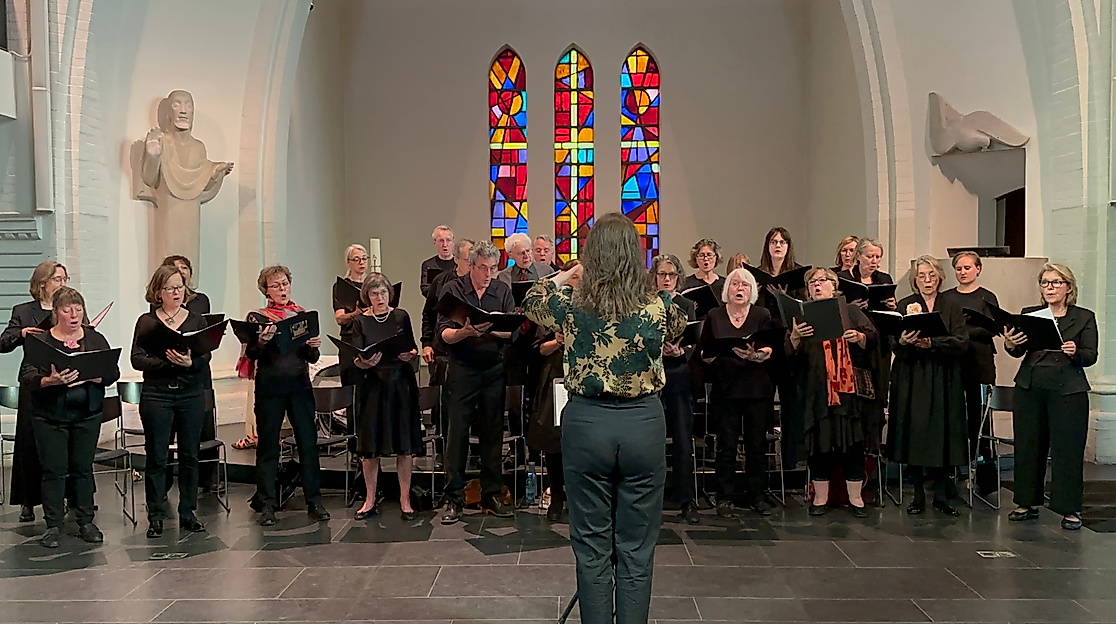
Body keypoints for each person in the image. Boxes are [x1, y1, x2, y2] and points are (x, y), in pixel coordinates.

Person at [523, 213, 686, 624]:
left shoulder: (572, 303)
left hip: (588, 425)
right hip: (643, 425)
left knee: (592, 547)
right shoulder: (657, 304)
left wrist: (568, 273)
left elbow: (530, 299)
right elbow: (681, 321)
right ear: (635, 255)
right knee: (637, 547)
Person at [20, 286, 119, 547]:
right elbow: (27, 375)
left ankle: (86, 521)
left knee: (82, 469)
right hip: (49, 416)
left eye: (78, 309)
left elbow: (112, 372)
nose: (74, 314)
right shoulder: (41, 341)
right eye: (67, 309)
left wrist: (97, 375)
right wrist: (49, 380)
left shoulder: (95, 339)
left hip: (86, 414)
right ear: (56, 313)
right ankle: (53, 525)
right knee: (54, 470)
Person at [1004, 263, 1097, 531]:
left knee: (1067, 450)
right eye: (1045, 283)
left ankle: (1069, 508)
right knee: (1029, 445)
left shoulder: (1083, 317)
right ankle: (1026, 502)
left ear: (1068, 287)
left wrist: (1075, 351)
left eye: (1055, 283)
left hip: (1067, 388)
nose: (1049, 288)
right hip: (1031, 386)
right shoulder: (1031, 314)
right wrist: (1011, 343)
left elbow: (1091, 355)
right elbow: (1017, 350)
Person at [786, 268, 878, 518]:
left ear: (833, 285)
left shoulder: (850, 310)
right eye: (812, 282)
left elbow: (872, 337)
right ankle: (821, 498)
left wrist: (857, 336)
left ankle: (856, 499)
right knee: (820, 443)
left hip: (847, 389)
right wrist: (795, 337)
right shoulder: (803, 314)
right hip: (816, 390)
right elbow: (789, 355)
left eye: (821, 281)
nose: (816, 285)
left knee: (852, 444)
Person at [437, 240, 517, 523]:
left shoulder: (502, 290)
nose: (488, 274)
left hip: (493, 370)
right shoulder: (453, 290)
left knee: (492, 435)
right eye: (482, 268)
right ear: (470, 266)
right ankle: (454, 499)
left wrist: (494, 330)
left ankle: (492, 494)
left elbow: (513, 332)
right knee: (456, 435)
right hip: (462, 370)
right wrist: (465, 333)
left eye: (493, 269)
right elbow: (444, 334)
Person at [245, 265, 330, 526]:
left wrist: (312, 346)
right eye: (276, 286)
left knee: (307, 443)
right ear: (266, 291)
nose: (282, 289)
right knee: (268, 445)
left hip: (299, 386)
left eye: (285, 284)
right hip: (270, 388)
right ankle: (267, 504)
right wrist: (261, 341)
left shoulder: (300, 315)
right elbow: (252, 355)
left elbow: (311, 357)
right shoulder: (257, 317)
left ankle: (314, 501)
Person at [130, 265, 212, 538]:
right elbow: (136, 359)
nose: (176, 292)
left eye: (180, 287)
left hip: (190, 394)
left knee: (190, 455)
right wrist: (168, 364)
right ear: (158, 292)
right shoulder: (147, 321)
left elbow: (205, 357)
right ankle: (155, 515)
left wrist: (190, 362)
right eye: (170, 288)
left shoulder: (196, 320)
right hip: (158, 394)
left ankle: (188, 512)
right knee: (156, 456)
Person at [886, 255, 968, 517]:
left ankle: (942, 497)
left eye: (931, 275)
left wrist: (934, 344)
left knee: (943, 434)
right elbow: (893, 343)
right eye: (922, 276)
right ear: (914, 280)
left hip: (943, 376)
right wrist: (905, 341)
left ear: (940, 278)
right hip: (913, 376)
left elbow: (962, 342)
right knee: (916, 433)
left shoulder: (952, 304)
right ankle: (918, 496)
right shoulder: (906, 305)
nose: (927, 280)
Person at [696, 267, 779, 518]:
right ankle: (725, 497)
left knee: (756, 444)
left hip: (756, 387)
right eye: (735, 284)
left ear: (752, 290)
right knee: (726, 445)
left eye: (745, 285)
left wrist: (757, 355)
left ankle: (757, 495)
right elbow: (704, 350)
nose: (739, 288)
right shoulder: (714, 315)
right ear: (727, 290)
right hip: (726, 388)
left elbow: (771, 347)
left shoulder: (762, 314)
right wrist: (710, 356)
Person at [350, 273, 423, 521]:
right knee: (371, 446)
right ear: (367, 297)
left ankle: (405, 499)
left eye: (382, 292)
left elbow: (413, 347)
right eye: (373, 293)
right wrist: (364, 362)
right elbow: (357, 357)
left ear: (389, 294)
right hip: (373, 385)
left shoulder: (401, 315)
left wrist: (410, 354)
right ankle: (369, 499)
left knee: (405, 445)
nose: (379, 298)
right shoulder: (360, 321)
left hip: (401, 384)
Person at [1, 261, 68, 523]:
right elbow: (3, 343)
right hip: (34, 381)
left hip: (61, 380)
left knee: (63, 444)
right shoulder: (24, 311)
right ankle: (28, 501)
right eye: (58, 279)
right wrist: (22, 333)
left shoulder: (67, 307)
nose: (63, 284)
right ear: (42, 284)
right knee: (29, 443)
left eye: (64, 279)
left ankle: (66, 496)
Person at [157, 255, 221, 494]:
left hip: (197, 366)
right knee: (170, 430)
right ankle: (165, 481)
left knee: (204, 424)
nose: (181, 272)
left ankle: (209, 477)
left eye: (184, 268)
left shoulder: (200, 301)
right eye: (175, 269)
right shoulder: (157, 308)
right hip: (170, 369)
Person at [941, 251, 1000, 493]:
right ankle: (950, 470)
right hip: (953, 362)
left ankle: (983, 473)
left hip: (980, 362)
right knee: (952, 414)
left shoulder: (987, 297)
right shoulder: (946, 297)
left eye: (967, 267)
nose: (962, 272)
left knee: (980, 418)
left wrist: (962, 331)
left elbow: (994, 328)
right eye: (958, 268)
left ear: (978, 269)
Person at [527, 259, 581, 522]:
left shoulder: (588, 308)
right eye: (573, 278)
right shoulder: (553, 309)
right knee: (554, 440)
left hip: (582, 376)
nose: (577, 283)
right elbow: (538, 348)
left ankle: (579, 496)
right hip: (556, 375)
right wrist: (556, 341)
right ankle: (557, 495)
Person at [651, 254, 700, 524]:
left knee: (683, 440)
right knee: (651, 442)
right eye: (662, 274)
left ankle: (686, 500)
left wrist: (681, 349)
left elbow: (693, 340)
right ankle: (651, 501)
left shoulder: (684, 304)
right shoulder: (646, 303)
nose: (667, 279)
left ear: (678, 277)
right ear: (654, 277)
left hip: (678, 375)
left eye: (671, 275)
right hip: (652, 375)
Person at [837, 238, 897, 422]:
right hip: (854, 341)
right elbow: (837, 309)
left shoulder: (884, 279)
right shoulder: (844, 278)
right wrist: (851, 306)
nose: (874, 261)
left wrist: (893, 305)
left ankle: (874, 442)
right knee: (857, 391)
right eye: (870, 256)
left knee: (878, 390)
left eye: (877, 257)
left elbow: (892, 311)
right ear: (859, 257)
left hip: (879, 338)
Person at [421, 238, 473, 385]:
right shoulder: (440, 281)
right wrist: (426, 343)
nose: (471, 263)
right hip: (443, 351)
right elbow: (428, 313)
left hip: (469, 351)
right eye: (467, 259)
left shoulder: (480, 282)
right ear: (456, 259)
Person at [333, 244, 369, 387]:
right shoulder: (341, 286)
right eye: (356, 259)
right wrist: (355, 314)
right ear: (348, 262)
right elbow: (339, 318)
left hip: (370, 339)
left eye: (364, 259)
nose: (361, 262)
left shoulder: (372, 284)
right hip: (350, 341)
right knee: (351, 389)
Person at [681, 238, 726, 305]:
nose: (706, 259)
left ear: (716, 257)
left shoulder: (725, 283)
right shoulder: (686, 283)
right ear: (695, 258)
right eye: (701, 255)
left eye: (709, 255)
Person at [419, 225, 456, 297]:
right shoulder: (429, 265)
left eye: (448, 240)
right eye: (441, 240)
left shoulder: (460, 264)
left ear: (453, 242)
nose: (445, 245)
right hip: (434, 305)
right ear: (435, 243)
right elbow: (425, 289)